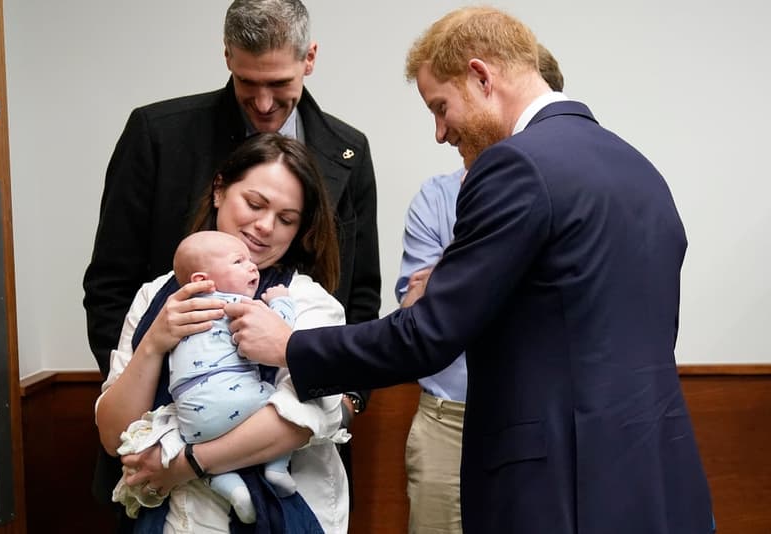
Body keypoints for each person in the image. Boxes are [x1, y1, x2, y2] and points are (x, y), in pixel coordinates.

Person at [231, 7, 714, 534]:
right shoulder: (640, 169)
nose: (440, 133)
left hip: (556, 486)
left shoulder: (515, 165)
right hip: (657, 476)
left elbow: (428, 336)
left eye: (440, 106)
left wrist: (290, 347)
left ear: (482, 77)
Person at [84, 0, 379, 520]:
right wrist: (158, 388)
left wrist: (347, 394)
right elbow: (110, 285)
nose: (264, 103)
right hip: (167, 437)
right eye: (248, 82)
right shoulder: (160, 134)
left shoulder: (346, 151)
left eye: (286, 217)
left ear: (309, 59)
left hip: (294, 460)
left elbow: (360, 294)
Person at [95, 133, 350, 533]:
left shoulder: (305, 302)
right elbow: (115, 436)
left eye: (286, 219)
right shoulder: (155, 297)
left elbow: (299, 419)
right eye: (254, 204)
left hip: (287, 511)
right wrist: (155, 343)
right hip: (174, 520)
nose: (265, 227)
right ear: (219, 190)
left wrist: (183, 465)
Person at [397, 44, 565, 534]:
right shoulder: (436, 198)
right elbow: (415, 313)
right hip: (448, 421)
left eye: (441, 109)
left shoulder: (564, 186)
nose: (440, 133)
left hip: (540, 423)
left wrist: (452, 273)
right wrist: (483, 271)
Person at [170, 230, 299, 523]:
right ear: (202, 281)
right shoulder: (233, 305)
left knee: (214, 464)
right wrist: (281, 300)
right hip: (236, 399)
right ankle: (277, 468)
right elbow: (281, 334)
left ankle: (233, 488)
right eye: (238, 261)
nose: (252, 266)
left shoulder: (177, 313)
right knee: (286, 403)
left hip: (191, 422)